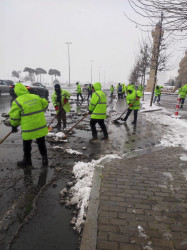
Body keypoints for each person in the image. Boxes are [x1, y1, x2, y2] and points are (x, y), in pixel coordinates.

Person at [9, 83, 48, 168]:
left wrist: (14, 126)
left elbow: (14, 117)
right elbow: (45, 103)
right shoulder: (35, 97)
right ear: (25, 89)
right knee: (41, 143)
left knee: (27, 144)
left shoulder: (17, 101)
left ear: (16, 91)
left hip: (28, 129)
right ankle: (45, 160)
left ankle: (27, 162)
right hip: (40, 126)